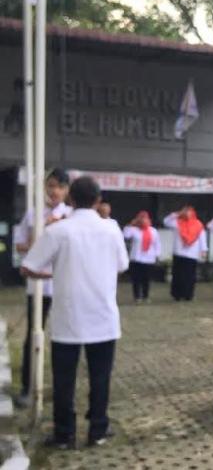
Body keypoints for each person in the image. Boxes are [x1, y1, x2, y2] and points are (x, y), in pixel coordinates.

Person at [21, 176, 129, 449]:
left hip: (68, 317)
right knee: (100, 377)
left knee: (64, 379)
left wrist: (54, 273)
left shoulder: (59, 231)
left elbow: (27, 267)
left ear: (70, 198)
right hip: (103, 315)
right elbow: (122, 265)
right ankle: (98, 430)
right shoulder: (112, 229)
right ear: (98, 199)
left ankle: (64, 434)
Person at [14, 167, 72, 407]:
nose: (54, 191)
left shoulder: (71, 215)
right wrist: (42, 233)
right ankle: (28, 387)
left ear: (67, 190)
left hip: (64, 286)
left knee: (64, 338)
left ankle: (62, 391)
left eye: (60, 186)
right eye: (51, 185)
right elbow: (20, 246)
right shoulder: (33, 214)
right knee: (32, 335)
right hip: (37, 285)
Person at [163, 206, 208, 301]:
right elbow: (166, 221)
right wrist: (176, 214)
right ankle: (177, 295)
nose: (187, 214)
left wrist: (203, 250)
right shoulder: (177, 222)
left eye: (189, 212)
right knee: (177, 275)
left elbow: (202, 238)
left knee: (190, 276)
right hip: (179, 253)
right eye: (185, 212)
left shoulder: (198, 224)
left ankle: (188, 295)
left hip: (192, 254)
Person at [123, 211, 162, 303]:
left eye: (145, 218)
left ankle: (146, 296)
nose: (143, 221)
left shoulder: (153, 231)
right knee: (136, 279)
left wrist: (157, 255)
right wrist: (131, 224)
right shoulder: (134, 230)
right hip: (137, 259)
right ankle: (137, 297)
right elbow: (125, 235)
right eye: (141, 218)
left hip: (149, 259)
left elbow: (157, 244)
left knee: (146, 279)